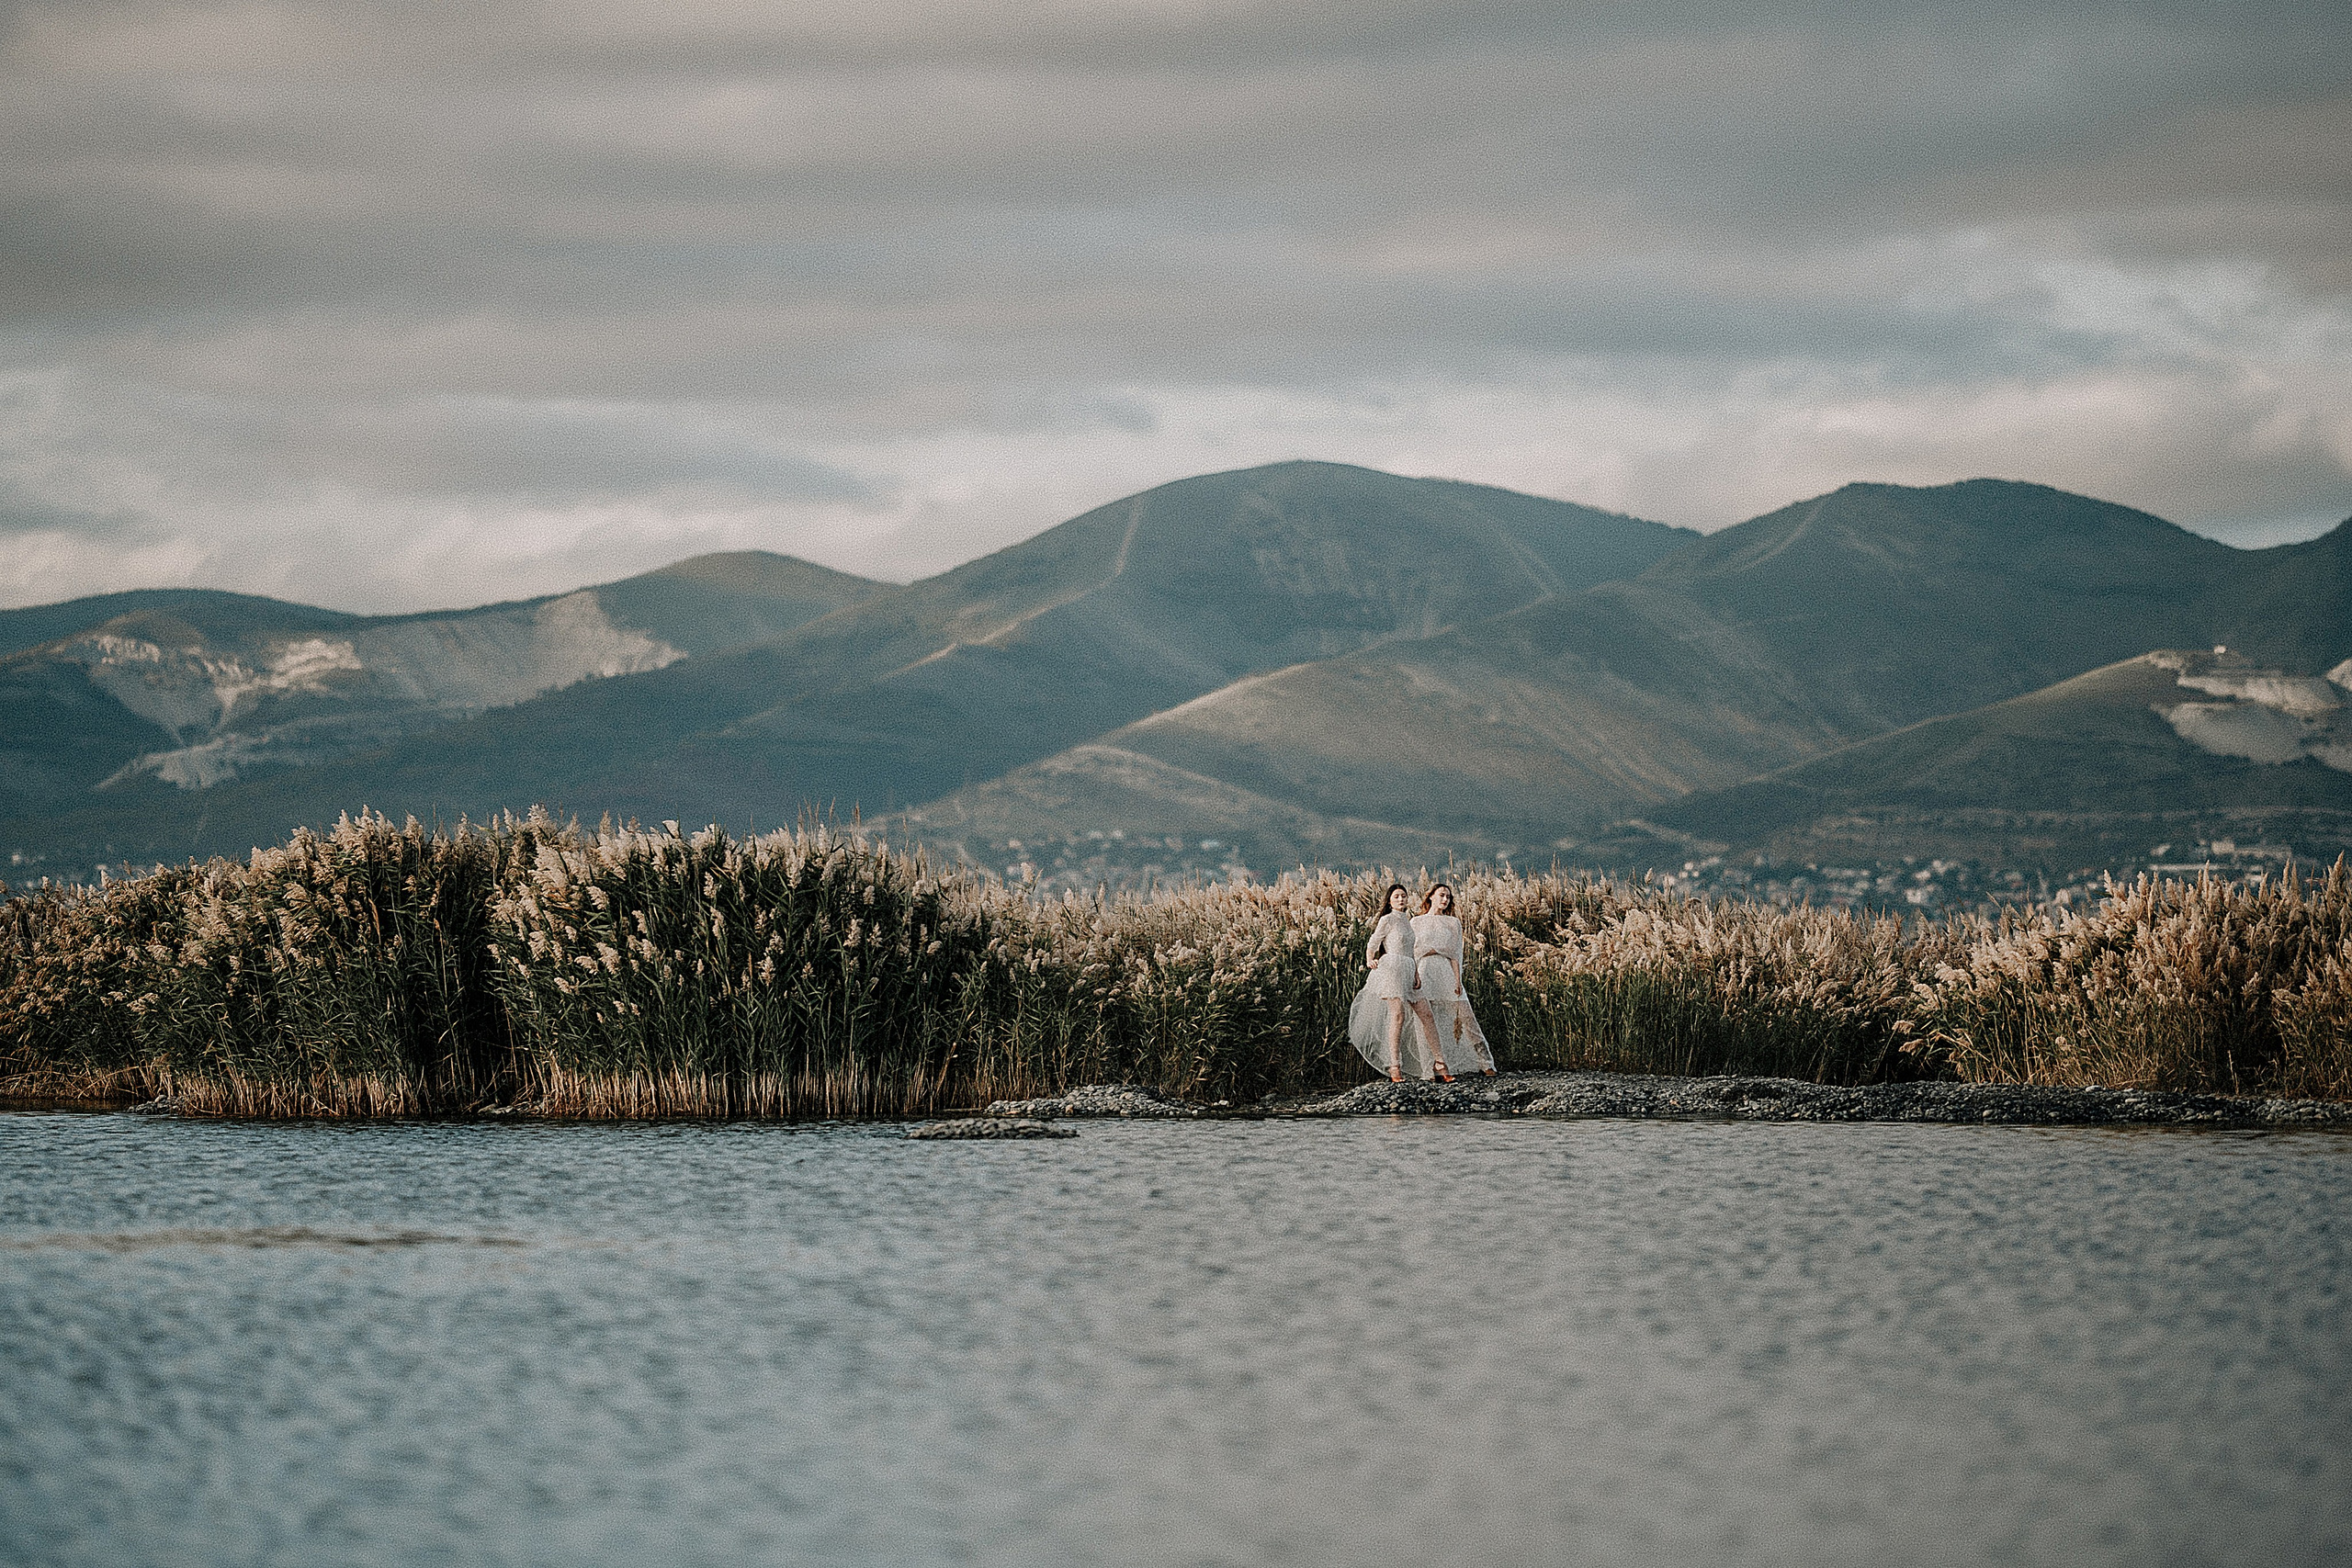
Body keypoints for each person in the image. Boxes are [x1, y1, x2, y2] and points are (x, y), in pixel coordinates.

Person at [1348, 883, 1452, 1082]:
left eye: (1403, 896)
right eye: (1396, 896)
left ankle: (1440, 1063)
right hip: (1392, 969)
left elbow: (1411, 950)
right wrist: (1370, 959)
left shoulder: (1407, 920)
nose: (1401, 899)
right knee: (1398, 1016)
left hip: (1409, 968)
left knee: (1426, 1014)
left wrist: (1416, 973)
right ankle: (1394, 1066)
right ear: (1389, 900)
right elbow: (1373, 942)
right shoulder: (1387, 920)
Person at [1412, 883, 1495, 1077]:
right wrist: (1414, 976)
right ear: (1430, 896)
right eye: (1441, 895)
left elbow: (1455, 954)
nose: (1445, 899)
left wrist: (1458, 981)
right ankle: (1432, 1068)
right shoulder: (1416, 922)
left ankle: (1486, 1062)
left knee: (1466, 1016)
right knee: (1426, 1022)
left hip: (1446, 971)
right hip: (1424, 971)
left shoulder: (1452, 922)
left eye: (1448, 897)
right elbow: (1412, 951)